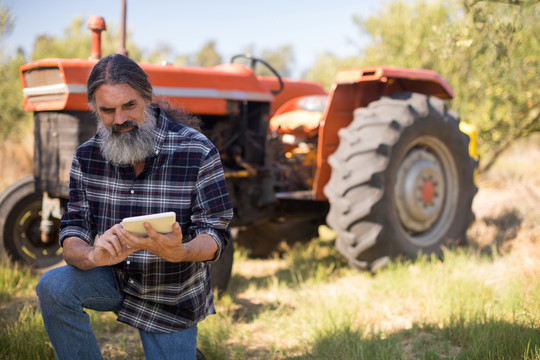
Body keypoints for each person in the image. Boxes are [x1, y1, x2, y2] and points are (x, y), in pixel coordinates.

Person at [36, 54, 233, 360]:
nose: (119, 119)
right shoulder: (86, 157)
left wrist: (180, 251)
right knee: (52, 286)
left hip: (171, 292)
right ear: (94, 109)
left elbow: (215, 234)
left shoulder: (196, 150)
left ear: (147, 98)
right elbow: (73, 230)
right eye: (107, 110)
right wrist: (91, 254)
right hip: (112, 277)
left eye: (129, 106)